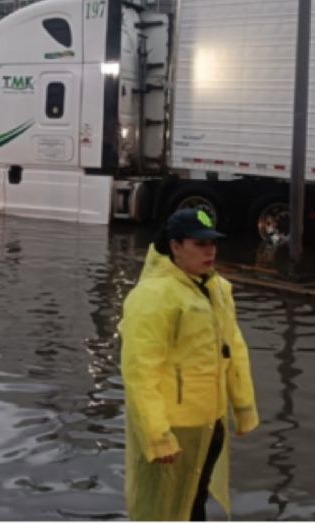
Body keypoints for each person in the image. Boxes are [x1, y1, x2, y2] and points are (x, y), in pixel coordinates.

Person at [119, 208, 259, 521]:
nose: (210, 251)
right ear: (175, 246)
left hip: (210, 424)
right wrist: (157, 436)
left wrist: (243, 407)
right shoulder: (153, 296)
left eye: (212, 243)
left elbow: (234, 349)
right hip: (174, 429)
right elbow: (140, 373)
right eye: (199, 244)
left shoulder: (217, 289)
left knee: (194, 502)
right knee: (164, 508)